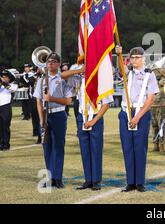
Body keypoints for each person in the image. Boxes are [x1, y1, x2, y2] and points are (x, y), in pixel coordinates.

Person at [115, 46, 159, 193]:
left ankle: (139, 182)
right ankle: (130, 182)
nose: (134, 60)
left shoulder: (149, 74)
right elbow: (121, 69)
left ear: (143, 58)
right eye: (132, 58)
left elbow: (150, 99)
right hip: (126, 112)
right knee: (127, 148)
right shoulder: (128, 72)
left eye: (137, 57)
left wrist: (137, 116)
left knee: (139, 149)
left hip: (141, 112)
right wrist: (119, 55)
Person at [62, 66, 113, 191]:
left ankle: (96, 180)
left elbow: (106, 105)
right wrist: (79, 71)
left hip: (95, 117)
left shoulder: (101, 81)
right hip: (82, 116)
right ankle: (88, 180)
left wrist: (94, 121)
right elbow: (61, 75)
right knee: (84, 150)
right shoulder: (79, 79)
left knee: (95, 150)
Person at [33, 53, 73, 188]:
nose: (50, 63)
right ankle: (49, 178)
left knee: (58, 147)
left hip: (59, 114)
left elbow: (68, 100)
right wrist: (40, 119)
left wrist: (53, 99)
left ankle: (58, 178)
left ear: (59, 64)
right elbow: (38, 101)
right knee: (47, 148)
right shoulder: (41, 80)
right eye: (49, 61)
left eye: (54, 61)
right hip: (45, 115)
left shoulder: (63, 80)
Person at [0, 70, 18, 151]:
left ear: (9, 78)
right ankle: (1, 144)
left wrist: (3, 83)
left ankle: (6, 144)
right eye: (2, 77)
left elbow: (12, 89)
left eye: (5, 77)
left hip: (6, 107)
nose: (3, 78)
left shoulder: (13, 85)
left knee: (5, 127)